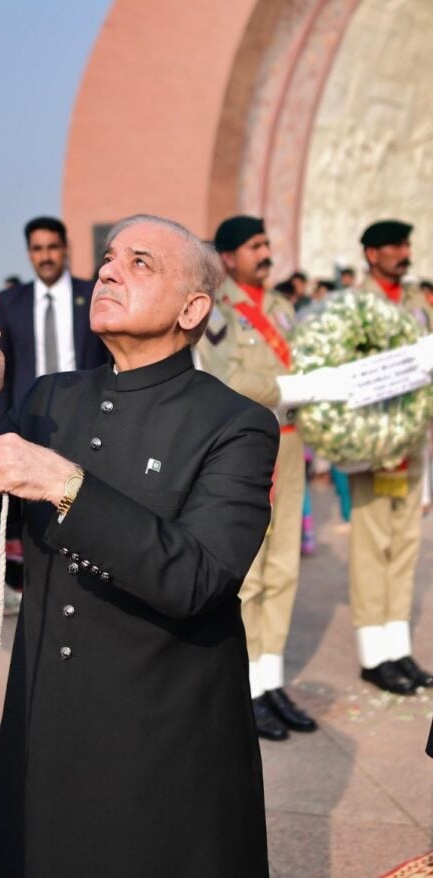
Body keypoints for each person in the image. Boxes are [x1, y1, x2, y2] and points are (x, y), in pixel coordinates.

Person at [0, 213, 280, 877]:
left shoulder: (237, 425)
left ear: (192, 307)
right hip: (47, 716)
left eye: (140, 263)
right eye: (111, 257)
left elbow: (199, 578)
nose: (109, 270)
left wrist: (66, 484)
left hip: (161, 731)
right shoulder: (50, 397)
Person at [196, 215, 348, 740]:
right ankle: (246, 687)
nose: (266, 252)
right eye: (255, 246)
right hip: (248, 446)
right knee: (253, 571)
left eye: (266, 243)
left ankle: (270, 678)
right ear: (231, 257)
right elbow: (226, 377)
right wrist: (295, 386)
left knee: (283, 567)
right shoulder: (218, 310)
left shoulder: (283, 308)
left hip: (290, 444)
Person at [0, 216, 108, 615]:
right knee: (36, 512)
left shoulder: (92, 294)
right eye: (38, 249)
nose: (46, 256)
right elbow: (5, 370)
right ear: (29, 253)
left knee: (86, 500)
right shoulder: (13, 302)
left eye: (52, 247)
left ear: (65, 248)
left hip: (87, 419)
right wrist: (3, 429)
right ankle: (40, 592)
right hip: (33, 422)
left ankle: (89, 588)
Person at [347, 220, 433, 694]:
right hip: (375, 442)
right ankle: (372, 655)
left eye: (407, 243)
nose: (404, 252)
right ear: (371, 254)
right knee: (371, 545)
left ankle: (398, 647)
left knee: (405, 544)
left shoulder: (418, 301)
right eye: (394, 246)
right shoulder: (355, 305)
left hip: (413, 439)